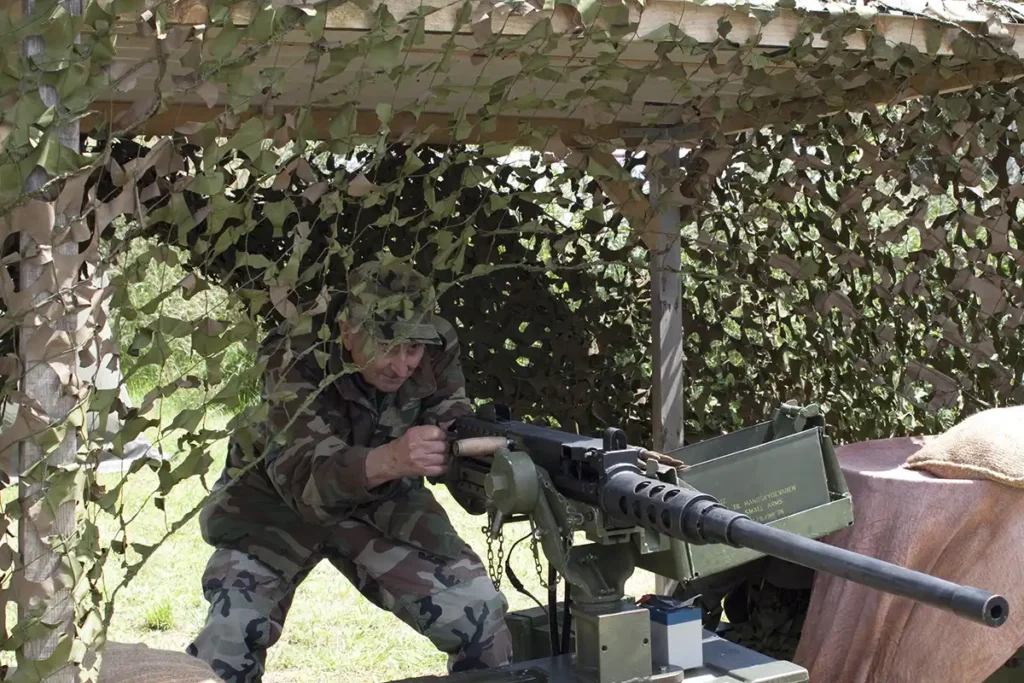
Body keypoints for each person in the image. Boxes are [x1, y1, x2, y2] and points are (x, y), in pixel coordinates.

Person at [186, 259, 513, 682]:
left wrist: (492, 463)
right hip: (276, 506)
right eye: (386, 346)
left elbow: (455, 427)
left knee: (481, 616)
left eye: (412, 349)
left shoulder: (434, 342)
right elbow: (308, 482)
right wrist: (394, 458)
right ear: (346, 330)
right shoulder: (296, 350)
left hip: (385, 503)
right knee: (229, 640)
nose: (401, 365)